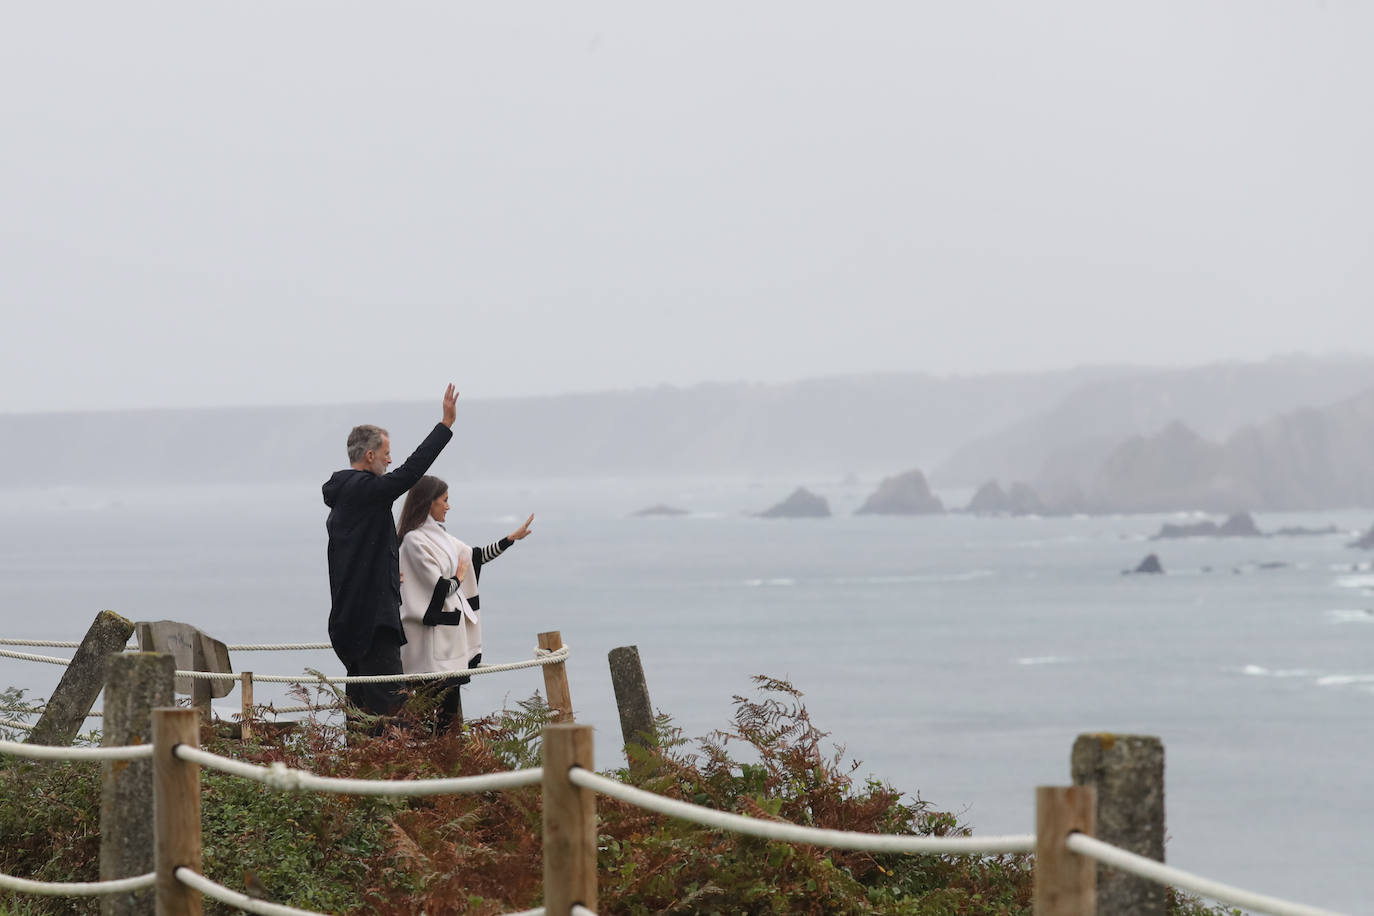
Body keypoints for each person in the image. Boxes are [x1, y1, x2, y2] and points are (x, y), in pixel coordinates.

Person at [323, 384, 458, 726]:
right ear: (369, 456)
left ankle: (355, 774)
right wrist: (445, 425)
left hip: (346, 621)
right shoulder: (366, 491)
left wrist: (387, 569)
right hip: (373, 623)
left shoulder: (343, 498)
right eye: (386, 453)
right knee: (393, 715)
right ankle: (395, 777)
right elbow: (411, 472)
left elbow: (353, 556)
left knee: (360, 714)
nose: (390, 459)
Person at [395, 474, 534, 730]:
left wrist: (509, 540)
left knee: (448, 709)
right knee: (429, 707)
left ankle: (447, 760)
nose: (449, 506)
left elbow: (475, 557)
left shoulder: (440, 537)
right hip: (428, 640)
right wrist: (458, 578)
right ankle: (437, 763)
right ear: (429, 503)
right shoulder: (414, 541)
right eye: (445, 500)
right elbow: (439, 587)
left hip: (448, 638)